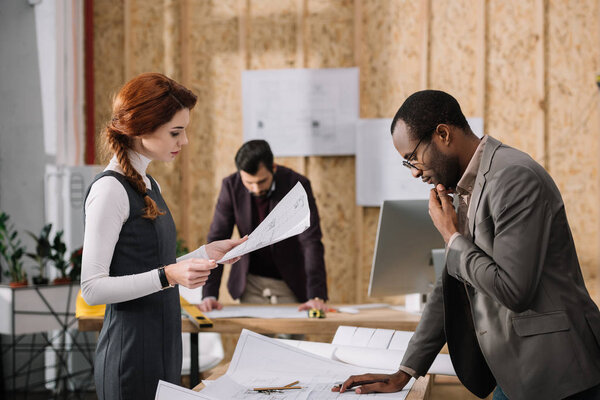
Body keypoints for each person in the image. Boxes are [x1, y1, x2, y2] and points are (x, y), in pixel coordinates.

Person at [334, 90, 600, 400]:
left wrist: (452, 237)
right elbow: (449, 285)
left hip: (559, 373)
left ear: (443, 134)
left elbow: (515, 290)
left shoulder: (513, 177)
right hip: (514, 370)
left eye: (413, 159)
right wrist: (405, 371)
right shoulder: (464, 188)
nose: (416, 172)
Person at [80, 72, 246, 400]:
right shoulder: (110, 190)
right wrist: (169, 274)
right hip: (130, 356)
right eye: (175, 132)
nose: (183, 142)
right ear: (142, 129)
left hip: (164, 350)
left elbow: (153, 266)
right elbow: (92, 289)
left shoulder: (150, 185)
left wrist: (204, 253)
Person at [198, 140, 328, 312]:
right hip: (250, 282)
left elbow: (311, 241)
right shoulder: (231, 186)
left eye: (261, 181)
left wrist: (316, 295)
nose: (255, 188)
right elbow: (217, 239)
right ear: (240, 174)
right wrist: (209, 295)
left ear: (273, 168)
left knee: (290, 338)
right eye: (249, 183)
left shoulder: (296, 185)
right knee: (253, 337)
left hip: (291, 281)